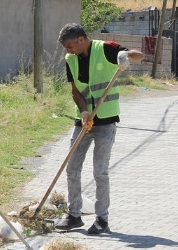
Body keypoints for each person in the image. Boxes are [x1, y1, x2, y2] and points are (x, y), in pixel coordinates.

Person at [54, 24, 144, 235]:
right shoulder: (70, 60)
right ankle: (74, 215)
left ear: (81, 40)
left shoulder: (105, 48)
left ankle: (102, 220)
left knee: (99, 172)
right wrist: (84, 112)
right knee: (72, 168)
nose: (68, 51)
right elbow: (76, 92)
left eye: (70, 46)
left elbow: (139, 55)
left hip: (106, 120)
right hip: (84, 121)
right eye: (65, 48)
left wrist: (125, 56)